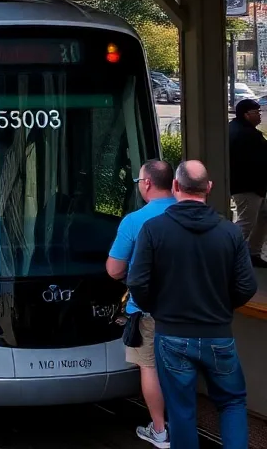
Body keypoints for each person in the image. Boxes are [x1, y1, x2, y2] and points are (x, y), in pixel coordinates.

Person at [129, 160, 259, 449]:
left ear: (175, 187)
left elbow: (137, 282)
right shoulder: (230, 232)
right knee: (232, 402)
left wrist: (159, 308)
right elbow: (247, 285)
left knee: (181, 409)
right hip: (218, 334)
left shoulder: (153, 230)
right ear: (209, 189)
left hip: (171, 334)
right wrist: (222, 307)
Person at [106, 159, 175, 448]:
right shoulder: (188, 213)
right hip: (188, 309)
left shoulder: (135, 221)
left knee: (150, 368)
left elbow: (114, 269)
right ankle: (181, 426)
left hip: (147, 310)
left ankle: (160, 430)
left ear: (146, 183)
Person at [229, 98, 267, 266]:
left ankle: (253, 253)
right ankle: (227, 255)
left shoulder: (233, 129)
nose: (259, 115)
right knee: (245, 222)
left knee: (264, 216)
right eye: (256, 112)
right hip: (249, 187)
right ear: (246, 114)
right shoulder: (247, 134)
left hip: (247, 186)